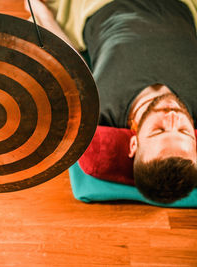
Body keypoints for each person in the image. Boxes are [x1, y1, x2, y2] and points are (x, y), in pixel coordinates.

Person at [26, 0, 197, 203]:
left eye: (159, 130)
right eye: (185, 131)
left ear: (133, 143)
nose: (172, 117)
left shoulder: (98, 107)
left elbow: (68, 56)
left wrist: (40, 12)